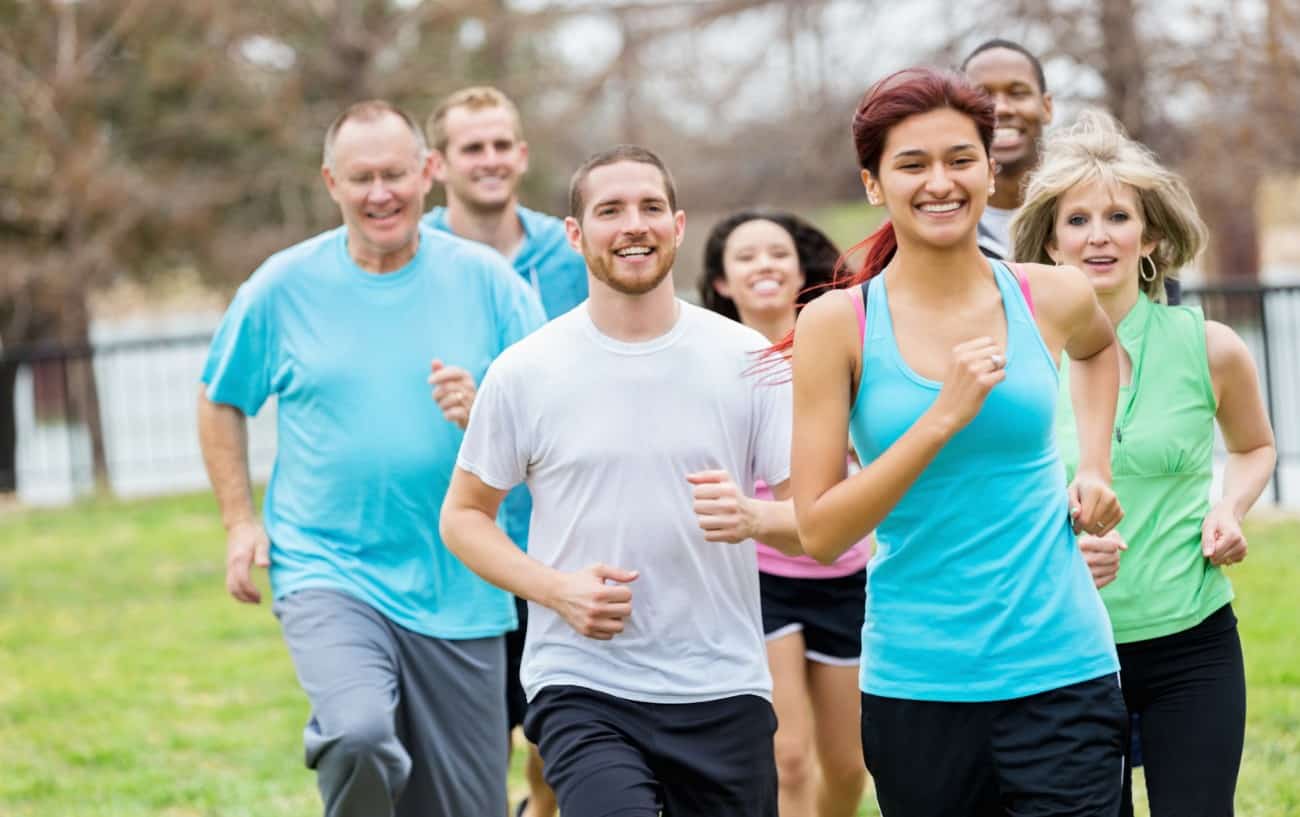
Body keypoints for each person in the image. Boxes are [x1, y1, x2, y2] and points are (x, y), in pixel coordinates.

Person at [787, 67, 1128, 816]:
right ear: (874, 184)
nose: (940, 182)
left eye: (960, 159)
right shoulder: (839, 324)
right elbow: (819, 529)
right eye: (912, 164)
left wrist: (1094, 464)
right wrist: (941, 417)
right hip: (919, 681)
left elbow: (1102, 353)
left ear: (990, 168)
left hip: (1062, 666)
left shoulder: (1054, 293)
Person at [197, 100, 545, 817]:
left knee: (467, 806)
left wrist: (485, 413)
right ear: (331, 182)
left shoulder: (489, 283)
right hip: (330, 566)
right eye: (361, 177)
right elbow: (219, 397)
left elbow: (553, 417)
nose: (380, 192)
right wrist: (238, 520)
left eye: (394, 173)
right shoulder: (281, 286)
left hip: (464, 578)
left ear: (427, 173)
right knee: (356, 735)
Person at [441, 145, 797, 817]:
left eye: (650, 208)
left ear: (679, 224)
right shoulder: (525, 371)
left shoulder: (750, 361)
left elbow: (816, 520)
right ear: (576, 234)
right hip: (582, 681)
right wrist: (557, 590)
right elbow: (463, 516)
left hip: (722, 683)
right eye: (610, 210)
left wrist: (753, 517)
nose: (634, 224)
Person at [1011, 109, 1277, 817]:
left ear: (1149, 234)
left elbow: (1256, 447)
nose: (1098, 234)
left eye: (1118, 216)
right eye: (1076, 220)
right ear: (1049, 241)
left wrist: (1229, 506)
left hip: (1192, 644)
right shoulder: (1018, 357)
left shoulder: (1211, 346)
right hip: (1065, 647)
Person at [423, 84, 588, 817]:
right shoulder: (414, 255)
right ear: (439, 164)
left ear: (521, 155)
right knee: (472, 746)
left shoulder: (574, 250)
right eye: (471, 147)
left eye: (500, 145)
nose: (489, 161)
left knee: (559, 736)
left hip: (564, 531)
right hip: (460, 540)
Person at [699, 210, 868, 817]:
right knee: (788, 756)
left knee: (849, 767)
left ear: (801, 269)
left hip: (847, 573)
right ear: (721, 281)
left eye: (777, 253)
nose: (764, 266)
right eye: (745, 257)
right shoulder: (711, 361)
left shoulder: (844, 345)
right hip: (760, 580)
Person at [964, 38, 1181, 305]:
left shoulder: (1116, 209)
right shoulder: (946, 227)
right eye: (983, 96)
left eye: (1017, 92)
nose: (1002, 108)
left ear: (1046, 107)